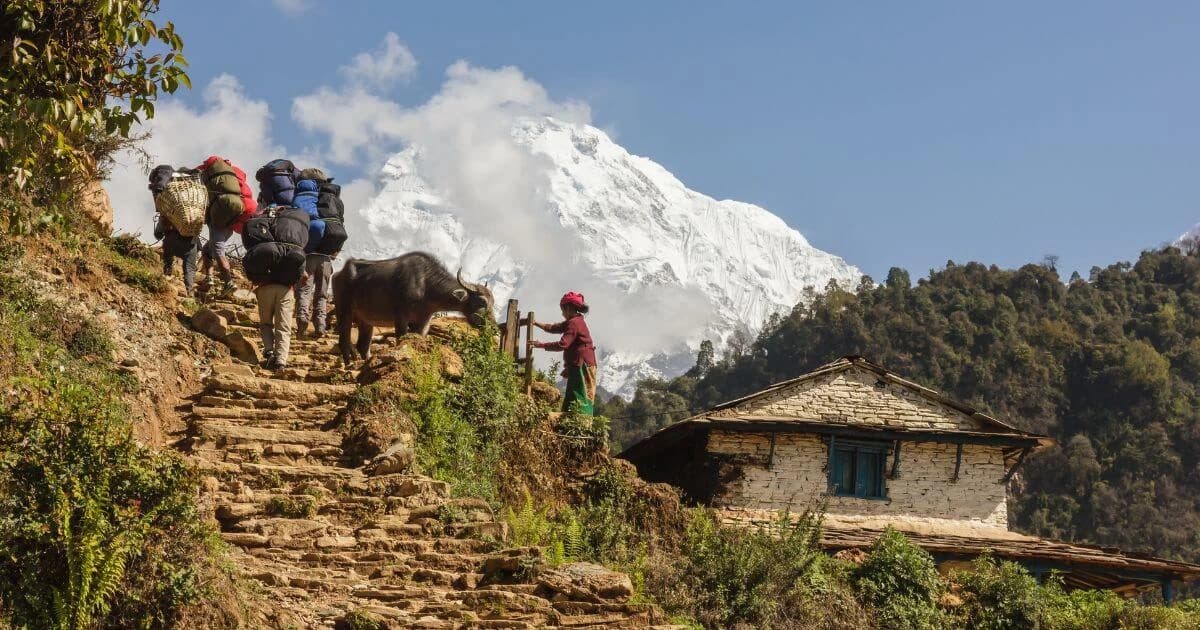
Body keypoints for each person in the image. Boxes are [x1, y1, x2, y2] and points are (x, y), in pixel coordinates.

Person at [532, 292, 598, 415]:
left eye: (563, 310)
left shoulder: (573, 323)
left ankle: (579, 422)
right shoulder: (575, 321)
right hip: (581, 363)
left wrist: (541, 345)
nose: (562, 313)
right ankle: (573, 422)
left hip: (581, 364)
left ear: (568, 308)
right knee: (576, 394)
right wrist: (535, 323)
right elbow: (553, 328)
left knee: (580, 395)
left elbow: (563, 344)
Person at [153, 216, 198, 296]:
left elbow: (158, 234)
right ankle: (190, 294)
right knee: (189, 269)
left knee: (168, 260)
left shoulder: (166, 212)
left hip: (171, 242)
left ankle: (166, 282)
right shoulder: (193, 213)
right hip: (191, 243)